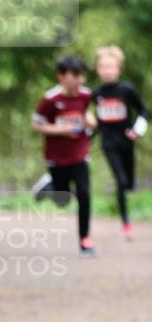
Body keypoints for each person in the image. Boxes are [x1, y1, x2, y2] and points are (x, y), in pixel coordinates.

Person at [31, 54, 97, 256]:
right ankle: (50, 185)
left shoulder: (86, 96)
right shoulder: (50, 99)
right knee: (63, 199)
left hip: (80, 154)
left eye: (81, 75)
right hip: (57, 157)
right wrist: (62, 130)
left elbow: (87, 114)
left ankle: (85, 239)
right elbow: (36, 124)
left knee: (84, 195)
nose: (79, 80)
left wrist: (90, 121)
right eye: (74, 75)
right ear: (61, 76)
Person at [92, 45, 148, 240]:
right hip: (108, 143)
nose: (106, 71)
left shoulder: (127, 89)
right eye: (102, 66)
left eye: (110, 66)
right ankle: (126, 224)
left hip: (127, 141)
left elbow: (143, 111)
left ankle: (125, 213)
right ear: (97, 69)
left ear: (118, 69)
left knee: (129, 183)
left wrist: (136, 131)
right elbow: (96, 122)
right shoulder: (96, 93)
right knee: (121, 181)